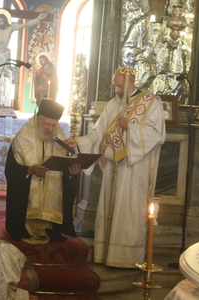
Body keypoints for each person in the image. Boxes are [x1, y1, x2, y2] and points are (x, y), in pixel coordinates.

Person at [65, 67, 166, 267]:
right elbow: (98, 132)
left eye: (120, 86)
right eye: (115, 86)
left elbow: (157, 134)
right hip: (113, 167)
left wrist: (132, 128)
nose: (117, 90)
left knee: (129, 210)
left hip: (135, 168)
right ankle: (107, 254)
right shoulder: (114, 104)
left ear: (131, 82)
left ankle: (128, 259)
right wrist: (78, 142)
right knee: (110, 208)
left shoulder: (151, 102)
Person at [5, 100, 81, 244]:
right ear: (38, 120)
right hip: (24, 219)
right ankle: (26, 228)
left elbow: (64, 173)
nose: (50, 129)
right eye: (47, 124)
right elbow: (11, 171)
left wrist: (71, 174)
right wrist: (29, 170)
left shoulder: (60, 141)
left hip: (51, 223)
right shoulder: (21, 140)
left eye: (54, 125)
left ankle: (49, 229)